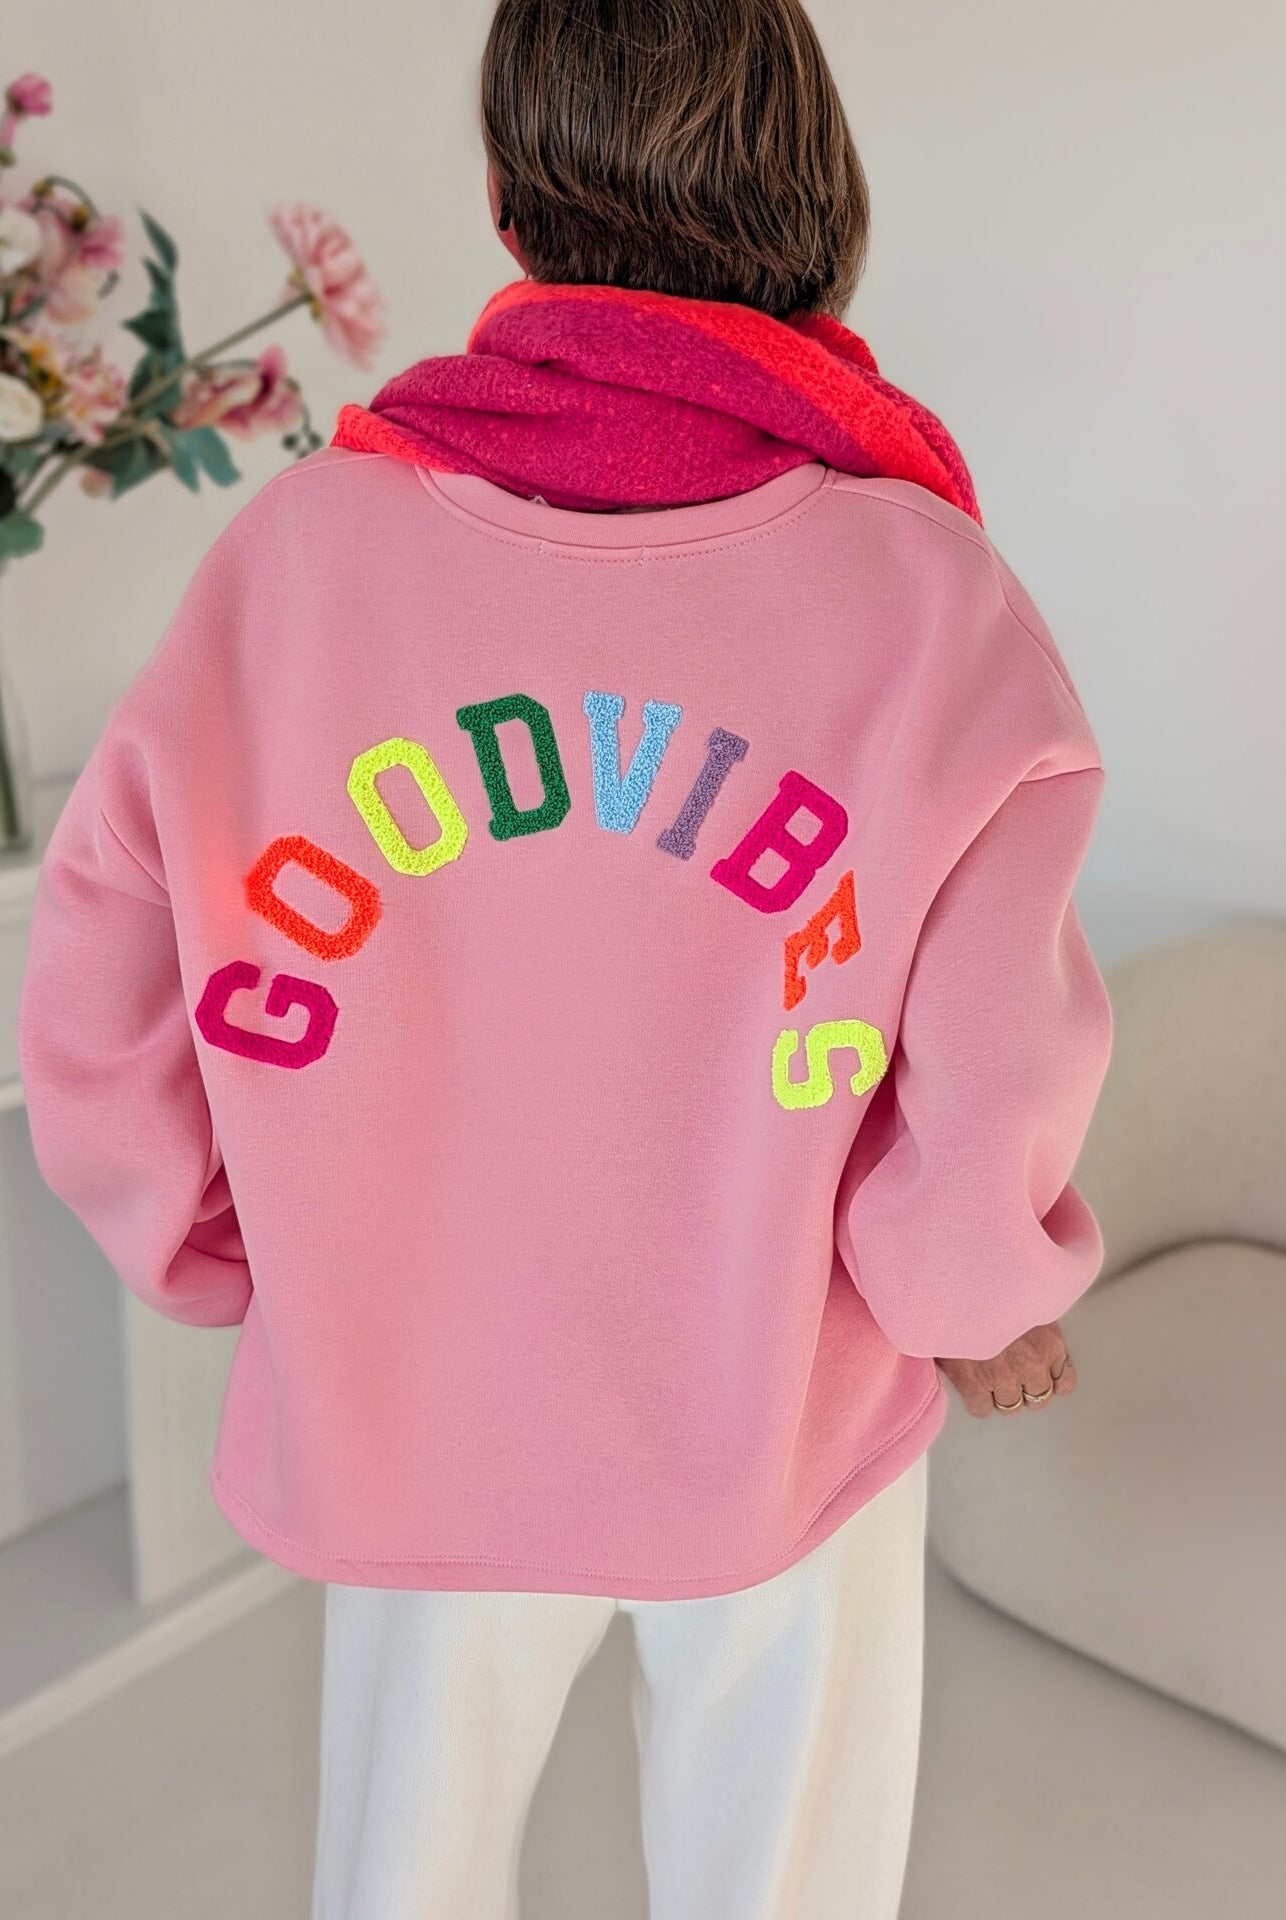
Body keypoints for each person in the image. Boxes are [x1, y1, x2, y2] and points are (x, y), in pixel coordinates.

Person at [18, 1, 1112, 1915]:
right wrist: (972, 1289)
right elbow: (989, 1055)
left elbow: (105, 937)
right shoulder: (928, 602)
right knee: (778, 1877)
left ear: (512, 202)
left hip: (410, 1390)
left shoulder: (298, 566)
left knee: (406, 1867)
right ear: (815, 198)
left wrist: (210, 1236)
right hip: (775, 1405)